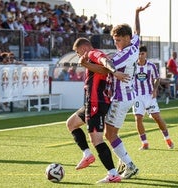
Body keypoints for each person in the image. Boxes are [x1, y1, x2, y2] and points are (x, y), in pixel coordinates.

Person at [66, 37, 129, 183]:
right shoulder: (91, 58)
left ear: (83, 48)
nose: (77, 55)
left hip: (96, 101)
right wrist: (89, 65)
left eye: (77, 52)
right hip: (93, 102)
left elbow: (105, 63)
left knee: (97, 139)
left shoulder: (92, 53)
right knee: (71, 124)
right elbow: (103, 68)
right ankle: (87, 154)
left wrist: (114, 72)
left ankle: (112, 174)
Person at [104, 2, 151, 180]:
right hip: (126, 96)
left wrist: (88, 62)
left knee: (109, 134)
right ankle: (124, 162)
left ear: (127, 38)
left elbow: (106, 67)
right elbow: (138, 32)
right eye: (114, 40)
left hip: (120, 98)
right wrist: (137, 13)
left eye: (119, 40)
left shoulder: (124, 53)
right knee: (111, 133)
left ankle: (129, 165)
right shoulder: (134, 45)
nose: (116, 43)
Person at [132, 45, 174, 150]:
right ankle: (144, 143)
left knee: (157, 118)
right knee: (138, 118)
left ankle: (167, 139)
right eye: (139, 54)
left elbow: (156, 79)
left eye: (142, 54)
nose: (140, 56)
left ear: (146, 54)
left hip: (149, 96)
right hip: (137, 96)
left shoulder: (151, 66)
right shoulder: (132, 66)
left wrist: (155, 89)